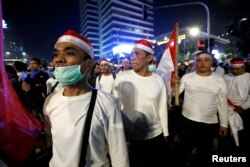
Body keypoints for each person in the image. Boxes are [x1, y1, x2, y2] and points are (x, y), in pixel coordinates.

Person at [42, 29, 129, 167]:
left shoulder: (107, 103)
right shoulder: (50, 101)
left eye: (69, 53)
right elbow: (51, 139)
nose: (58, 59)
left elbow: (119, 153)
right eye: (56, 54)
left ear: (88, 64)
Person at [113, 39, 169, 167]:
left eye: (137, 54)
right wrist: (119, 136)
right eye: (131, 54)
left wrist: (165, 133)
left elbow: (162, 108)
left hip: (155, 135)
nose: (132, 58)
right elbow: (115, 108)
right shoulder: (121, 78)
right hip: (130, 138)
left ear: (148, 57)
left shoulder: (158, 80)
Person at [176, 51, 229, 167]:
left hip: (210, 124)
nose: (202, 63)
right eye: (199, 60)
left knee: (203, 154)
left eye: (206, 60)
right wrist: (174, 85)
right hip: (188, 121)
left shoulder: (219, 80)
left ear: (211, 62)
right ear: (194, 63)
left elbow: (222, 103)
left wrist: (224, 124)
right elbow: (174, 95)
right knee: (183, 151)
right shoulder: (187, 77)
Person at [224, 57, 250, 157]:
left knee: (242, 133)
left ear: (243, 67)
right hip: (227, 108)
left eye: (237, 69)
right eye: (232, 69)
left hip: (244, 110)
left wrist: (243, 107)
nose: (234, 71)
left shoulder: (249, 77)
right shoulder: (226, 77)